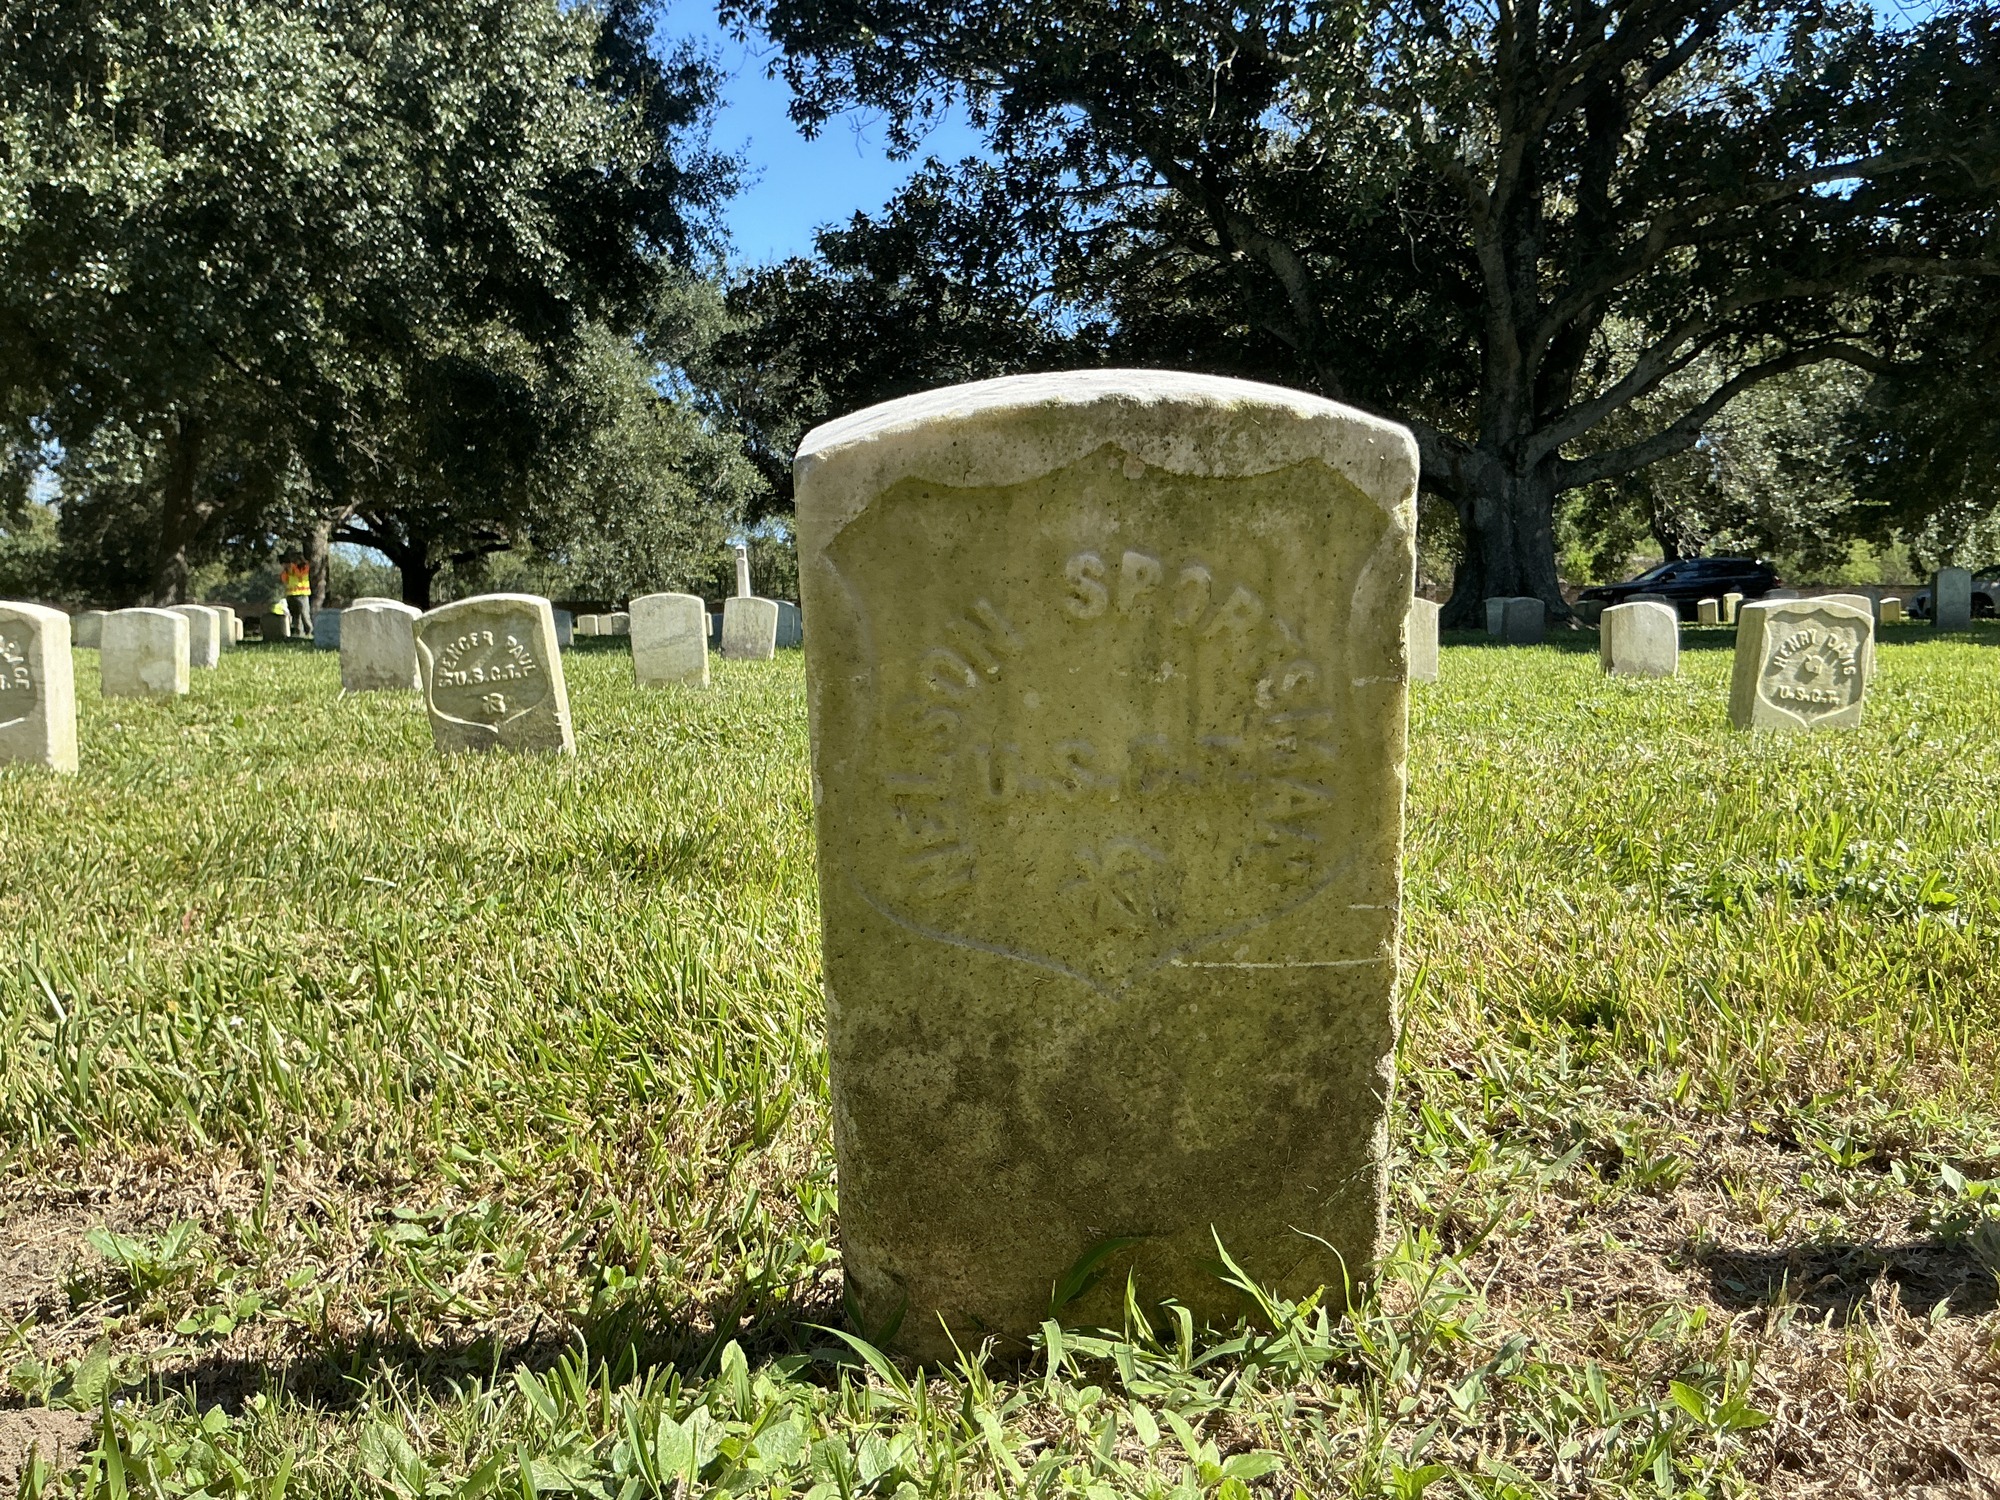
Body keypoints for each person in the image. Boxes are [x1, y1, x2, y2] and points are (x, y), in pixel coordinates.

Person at [280, 554, 313, 639]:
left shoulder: (304, 567)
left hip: (302, 594)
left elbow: (300, 575)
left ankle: (309, 632)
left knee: (304, 614)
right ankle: (298, 633)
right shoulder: (288, 569)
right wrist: (286, 570)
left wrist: (292, 567)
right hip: (291, 595)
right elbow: (284, 580)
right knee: (295, 616)